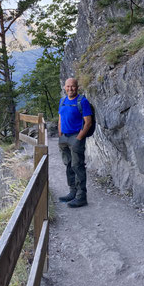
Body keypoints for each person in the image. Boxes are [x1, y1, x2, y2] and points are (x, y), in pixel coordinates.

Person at [58, 78, 93, 208]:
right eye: (68, 86)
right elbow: (60, 119)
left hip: (75, 137)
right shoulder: (62, 101)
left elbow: (88, 122)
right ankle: (72, 192)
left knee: (77, 166)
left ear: (77, 87)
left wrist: (79, 138)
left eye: (72, 86)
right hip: (64, 138)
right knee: (68, 165)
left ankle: (81, 197)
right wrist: (60, 134)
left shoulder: (82, 101)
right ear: (65, 87)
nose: (70, 89)